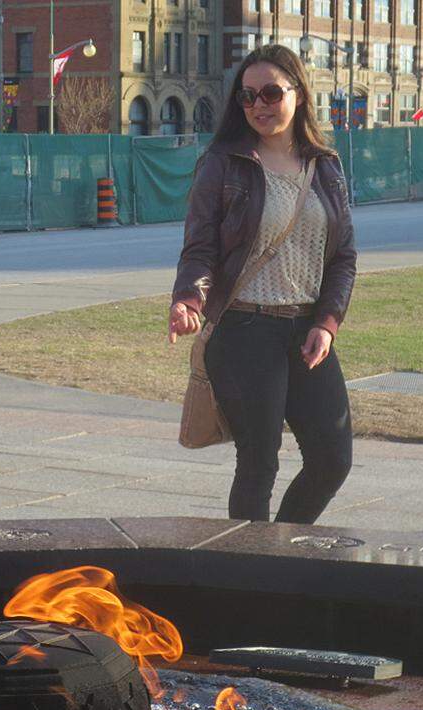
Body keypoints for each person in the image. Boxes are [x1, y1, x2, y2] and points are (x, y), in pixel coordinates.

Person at [168, 44, 356, 523]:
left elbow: (343, 257)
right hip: (244, 330)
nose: (259, 106)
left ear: (298, 93)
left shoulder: (326, 166)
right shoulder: (224, 163)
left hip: (306, 332)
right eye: (248, 97)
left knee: (332, 459)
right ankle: (249, 574)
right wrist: (190, 298)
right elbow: (200, 248)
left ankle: (282, 553)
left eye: (271, 92)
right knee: (259, 463)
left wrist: (328, 323)